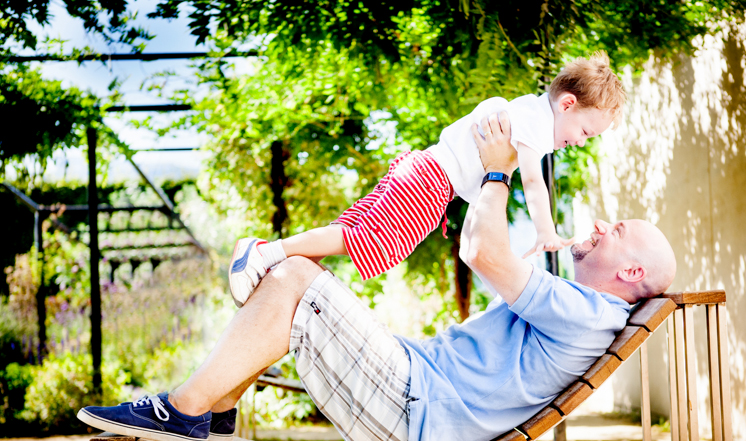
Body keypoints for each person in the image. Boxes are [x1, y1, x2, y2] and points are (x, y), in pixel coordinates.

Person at [77, 112, 676, 441]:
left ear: (629, 273)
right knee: (312, 276)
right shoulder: (576, 307)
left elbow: (478, 250)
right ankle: (219, 407)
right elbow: (493, 248)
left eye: (616, 232)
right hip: (411, 392)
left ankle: (182, 409)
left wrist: (497, 168)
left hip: (410, 410)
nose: (600, 225)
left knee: (295, 277)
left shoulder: (587, 315)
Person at [227, 51, 625, 307]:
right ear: (567, 104)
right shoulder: (535, 125)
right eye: (585, 132)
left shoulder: (522, 110)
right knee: (369, 242)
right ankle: (267, 253)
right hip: (430, 181)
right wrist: (545, 232)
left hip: (423, 171)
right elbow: (535, 184)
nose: (578, 142)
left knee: (354, 232)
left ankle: (279, 266)